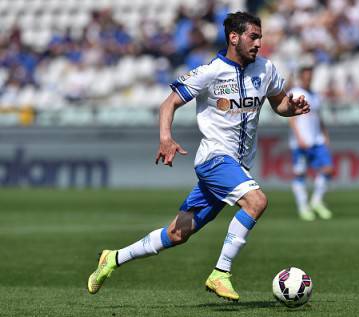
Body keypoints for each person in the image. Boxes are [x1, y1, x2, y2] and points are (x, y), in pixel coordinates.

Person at [87, 11, 310, 302]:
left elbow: (280, 104)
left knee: (177, 234)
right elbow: (169, 103)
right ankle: (221, 272)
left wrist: (293, 108)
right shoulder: (210, 71)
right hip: (214, 159)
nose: (258, 43)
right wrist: (166, 138)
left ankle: (112, 259)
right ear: (234, 37)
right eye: (253, 37)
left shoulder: (265, 69)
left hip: (236, 165)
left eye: (260, 37)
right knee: (257, 201)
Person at [288, 65, 334, 221]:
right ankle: (303, 208)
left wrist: (325, 135)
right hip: (301, 142)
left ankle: (316, 201)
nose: (308, 79)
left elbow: (318, 117)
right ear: (301, 77)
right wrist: (299, 137)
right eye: (306, 76)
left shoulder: (315, 95)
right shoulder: (295, 93)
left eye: (310, 76)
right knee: (300, 174)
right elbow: (292, 118)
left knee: (328, 169)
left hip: (317, 139)